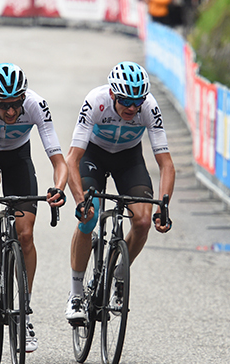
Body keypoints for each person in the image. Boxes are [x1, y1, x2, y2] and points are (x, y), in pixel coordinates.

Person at [0, 63, 68, 352]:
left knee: (26, 235)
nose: (10, 112)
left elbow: (59, 162)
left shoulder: (36, 105)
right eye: (3, 105)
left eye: (15, 104)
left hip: (19, 158)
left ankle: (24, 312)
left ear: (23, 97)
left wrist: (58, 188)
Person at [64, 61, 175, 322]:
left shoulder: (149, 107)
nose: (133, 108)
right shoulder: (95, 101)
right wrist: (81, 202)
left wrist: (164, 206)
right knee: (89, 217)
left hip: (128, 159)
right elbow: (72, 159)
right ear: (113, 94)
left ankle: (120, 273)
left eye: (138, 101)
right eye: (126, 100)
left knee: (143, 220)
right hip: (93, 155)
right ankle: (76, 294)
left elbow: (166, 163)